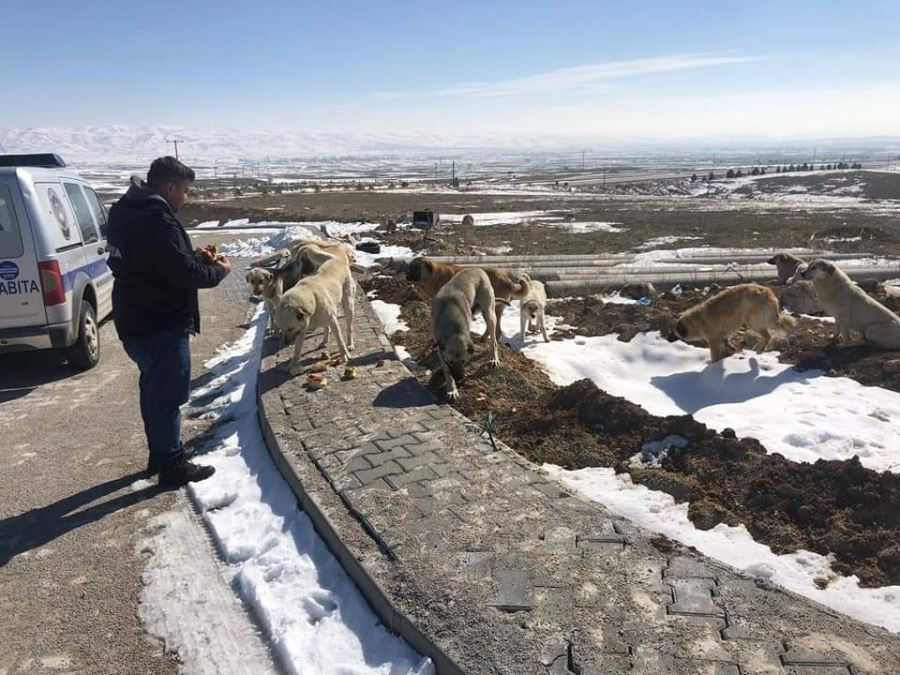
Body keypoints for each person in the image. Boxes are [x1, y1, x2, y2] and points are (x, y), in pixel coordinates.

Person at [106, 156, 231, 486]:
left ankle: (159, 453)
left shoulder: (127, 209)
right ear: (170, 186)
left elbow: (156, 260)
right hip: (159, 321)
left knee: (153, 390)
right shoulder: (154, 219)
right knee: (168, 396)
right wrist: (217, 271)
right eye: (185, 191)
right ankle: (173, 466)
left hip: (135, 317)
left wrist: (189, 255)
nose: (186, 198)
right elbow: (182, 273)